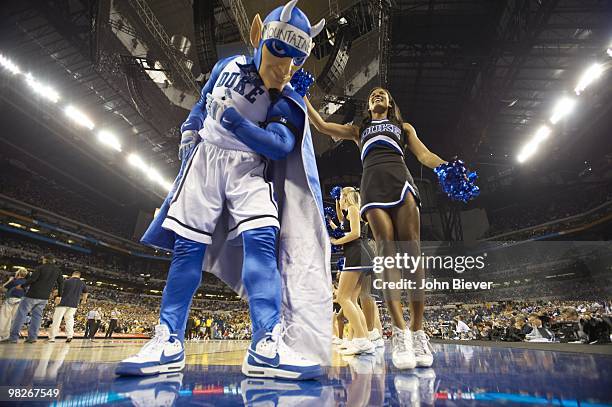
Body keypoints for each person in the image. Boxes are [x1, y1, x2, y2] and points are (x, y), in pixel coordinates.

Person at [117, 0, 330, 379]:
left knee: (263, 241)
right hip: (206, 160)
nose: (284, 67)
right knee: (187, 250)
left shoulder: (286, 98)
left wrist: (233, 121)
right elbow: (200, 104)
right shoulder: (226, 65)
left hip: (250, 167)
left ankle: (266, 344)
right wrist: (188, 128)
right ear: (258, 36)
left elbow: (279, 145)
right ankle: (168, 339)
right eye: (279, 52)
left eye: (295, 60)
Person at [306, 87, 447, 369]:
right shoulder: (359, 130)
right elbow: (321, 125)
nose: (377, 95)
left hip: (401, 180)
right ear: (369, 105)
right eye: (373, 95)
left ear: (390, 102)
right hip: (372, 185)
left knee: (412, 252)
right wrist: (302, 96)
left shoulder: (403, 127)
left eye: (382, 93)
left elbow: (425, 155)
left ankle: (418, 331)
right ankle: (399, 332)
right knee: (386, 252)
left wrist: (447, 167)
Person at [329, 187, 376, 355]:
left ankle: (362, 339)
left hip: (357, 254)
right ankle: (363, 340)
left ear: (346, 197)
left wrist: (336, 242)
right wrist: (336, 201)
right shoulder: (350, 211)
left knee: (342, 297)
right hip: (359, 255)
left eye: (341, 196)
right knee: (352, 300)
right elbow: (342, 221)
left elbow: (355, 233)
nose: (340, 199)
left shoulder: (354, 209)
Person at [2, 255, 63, 344]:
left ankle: (13, 338)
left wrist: (22, 286)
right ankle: (32, 337)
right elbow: (61, 283)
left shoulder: (40, 268)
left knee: (21, 315)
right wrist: (59, 295)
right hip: (44, 297)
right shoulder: (58, 270)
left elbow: (32, 279)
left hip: (32, 295)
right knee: (37, 317)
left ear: (45, 259)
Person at [48, 270, 88, 343]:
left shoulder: (67, 281)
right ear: (79, 276)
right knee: (69, 320)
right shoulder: (82, 283)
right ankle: (70, 335)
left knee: (57, 319)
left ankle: (52, 337)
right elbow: (85, 293)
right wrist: (83, 300)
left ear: (73, 274)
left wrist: (54, 295)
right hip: (73, 305)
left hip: (63, 303)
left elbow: (57, 291)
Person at [0, 268, 29, 340]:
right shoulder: (26, 282)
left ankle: (3, 335)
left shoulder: (14, 281)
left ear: (18, 273)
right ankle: (12, 335)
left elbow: (2, 288)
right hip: (21, 301)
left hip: (10, 300)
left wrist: (9, 280)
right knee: (15, 319)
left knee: (5, 317)